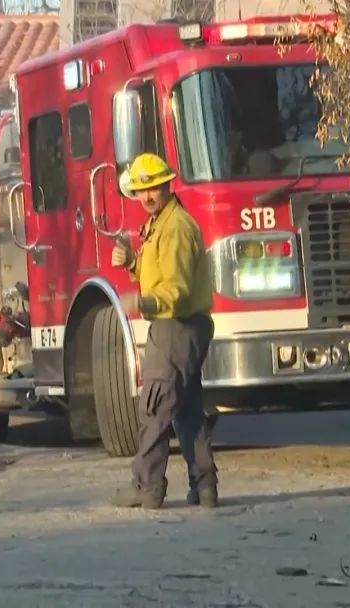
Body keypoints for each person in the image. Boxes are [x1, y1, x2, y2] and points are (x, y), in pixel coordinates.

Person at [109, 153, 218, 509]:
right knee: (186, 409)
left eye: (152, 188)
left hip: (174, 326)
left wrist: (143, 304)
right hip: (183, 327)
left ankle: (148, 487)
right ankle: (204, 487)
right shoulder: (163, 223)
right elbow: (162, 275)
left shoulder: (175, 229)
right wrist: (133, 264)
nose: (146, 197)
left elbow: (176, 289)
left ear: (167, 184)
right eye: (140, 190)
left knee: (154, 408)